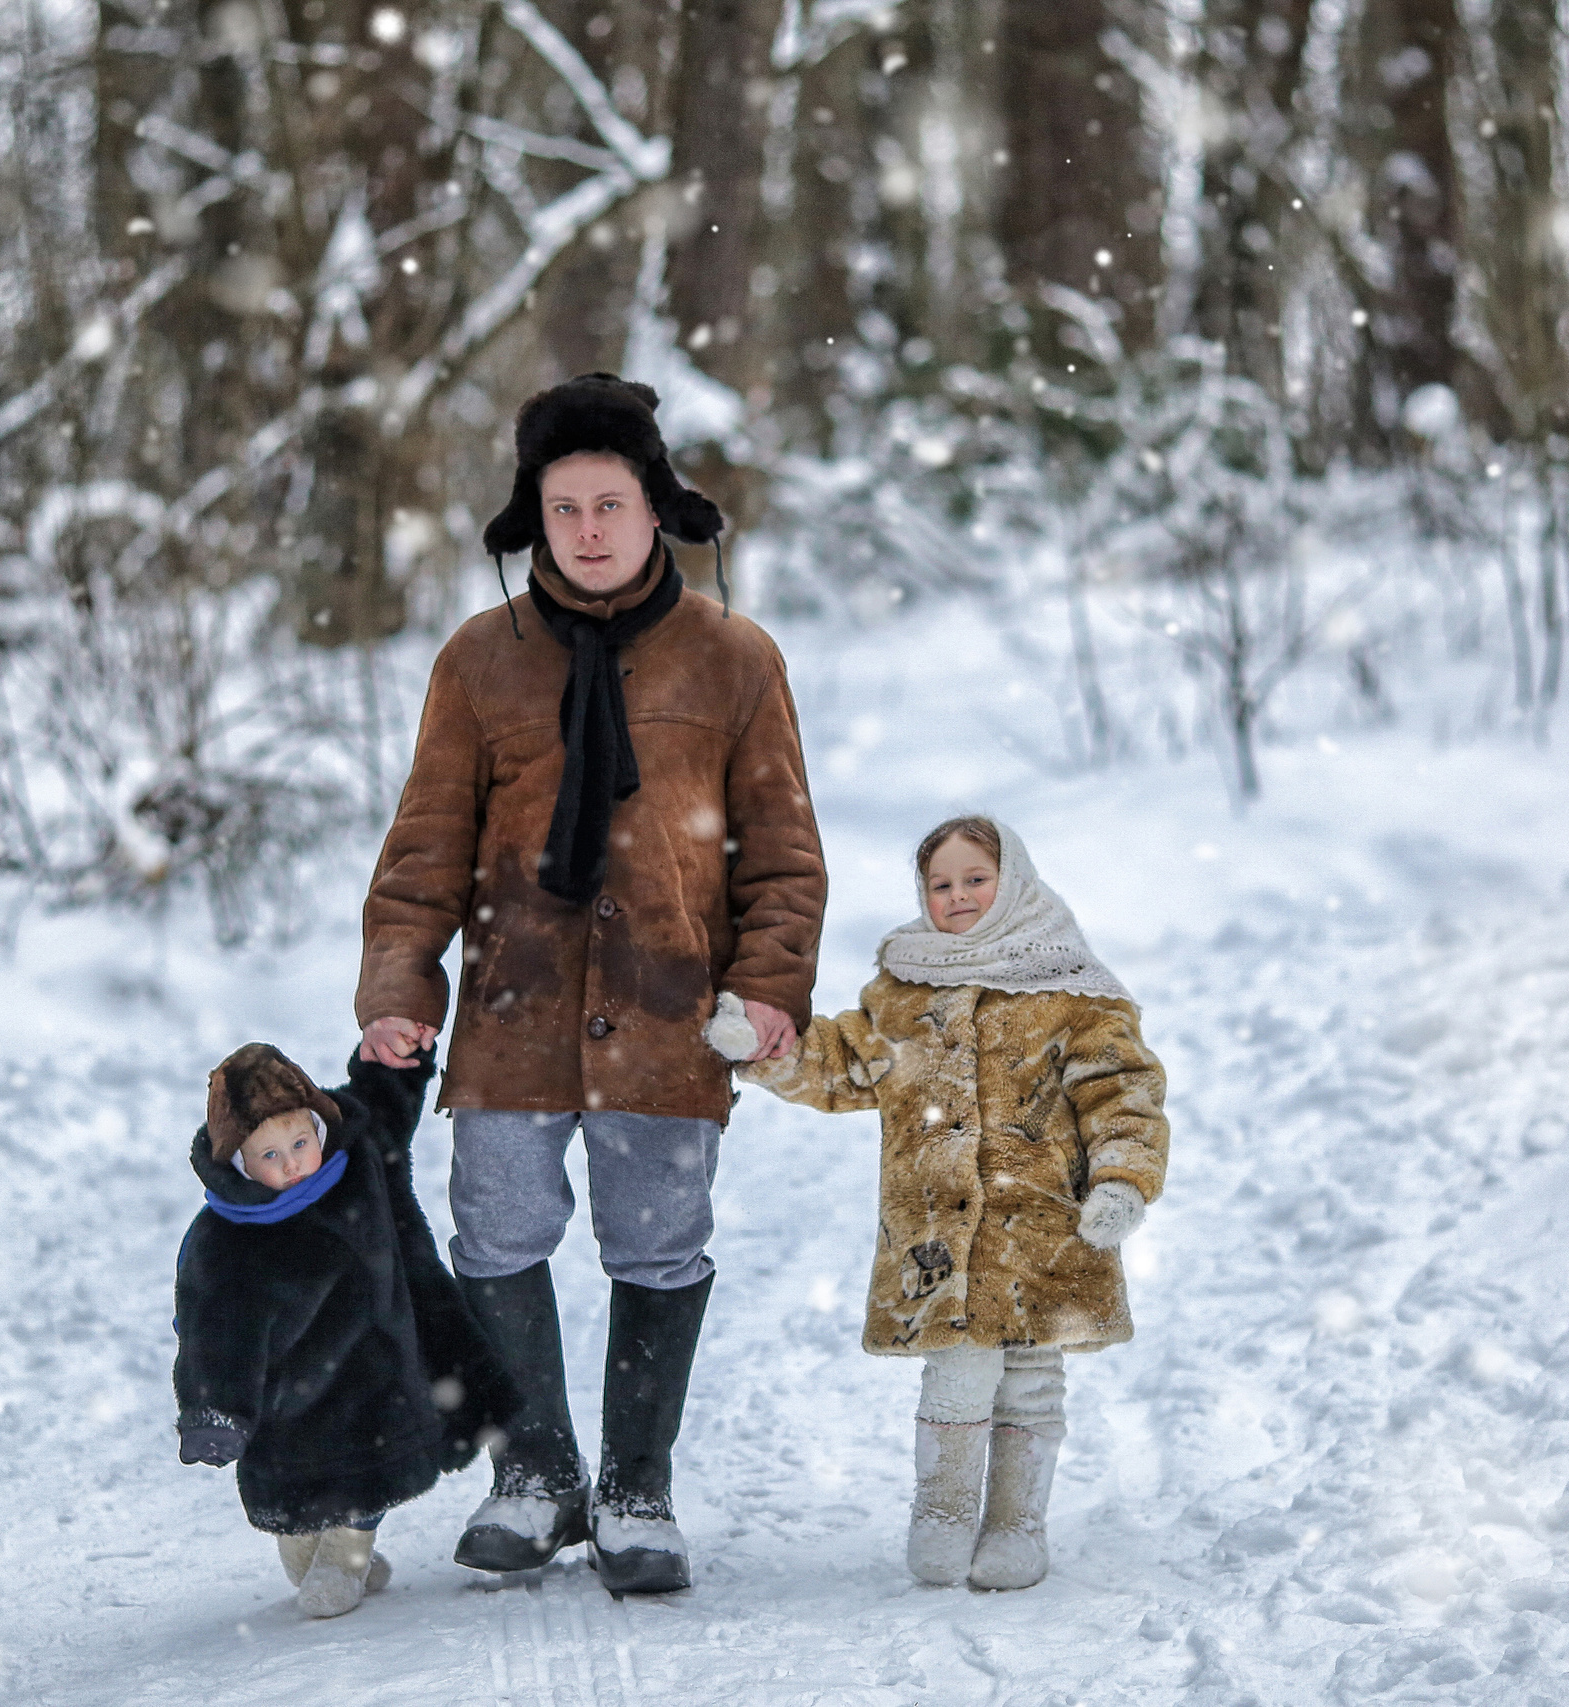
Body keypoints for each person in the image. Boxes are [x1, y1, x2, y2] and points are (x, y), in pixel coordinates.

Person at [354, 372, 827, 1594]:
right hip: (511, 1011)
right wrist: (398, 987)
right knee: (496, 1233)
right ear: (536, 517)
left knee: (659, 1245)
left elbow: (782, 856)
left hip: (669, 1013)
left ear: (654, 505)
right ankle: (538, 1474)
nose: (588, 530)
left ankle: (635, 1489)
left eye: (610, 503)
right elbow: (423, 851)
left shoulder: (731, 659)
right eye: (563, 508)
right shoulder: (482, 660)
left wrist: (769, 986)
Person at [733, 815, 1168, 1590]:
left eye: (976, 879)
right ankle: (941, 1512)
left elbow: (1122, 1091)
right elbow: (843, 1064)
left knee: (1032, 1377)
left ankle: (1017, 1524)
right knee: (958, 1372)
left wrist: (1122, 1180)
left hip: (1047, 1230)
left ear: (1015, 883)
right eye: (941, 883)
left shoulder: (1073, 990)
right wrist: (770, 1048)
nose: (958, 895)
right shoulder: (905, 990)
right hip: (943, 1239)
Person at [173, 1041, 519, 1618]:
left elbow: (384, 1101)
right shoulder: (225, 1240)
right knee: (296, 1522)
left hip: (376, 1369)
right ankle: (325, 1556)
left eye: (299, 1143)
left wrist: (397, 1059)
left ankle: (348, 1558)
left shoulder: (358, 1160)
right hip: (288, 1393)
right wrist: (214, 1411)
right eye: (269, 1155)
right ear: (238, 1164)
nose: (292, 1164)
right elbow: (213, 1334)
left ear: (318, 1128)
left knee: (365, 1482)